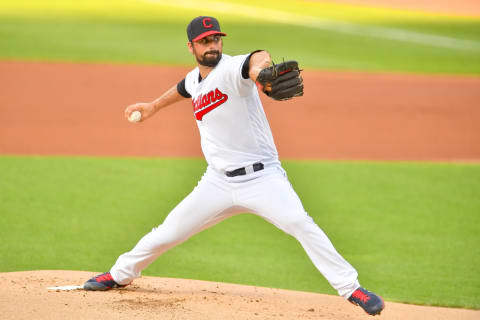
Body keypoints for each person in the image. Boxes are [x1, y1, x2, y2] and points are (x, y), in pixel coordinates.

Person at [83, 16, 385, 316]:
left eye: (215, 39)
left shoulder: (232, 68)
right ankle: (120, 274)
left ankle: (351, 288)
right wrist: (152, 106)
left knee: (300, 224)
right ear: (191, 47)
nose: (212, 45)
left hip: (262, 179)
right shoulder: (195, 79)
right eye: (204, 41)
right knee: (168, 232)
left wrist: (260, 72)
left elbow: (255, 59)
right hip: (216, 183)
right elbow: (183, 88)